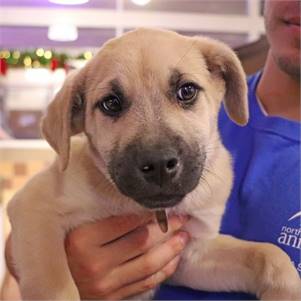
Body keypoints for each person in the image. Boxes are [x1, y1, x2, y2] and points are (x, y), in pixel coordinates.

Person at [4, 0, 300, 299]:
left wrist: (267, 269)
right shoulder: (86, 174)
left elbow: (188, 255)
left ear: (220, 82)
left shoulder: (217, 175)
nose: (157, 154)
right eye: (112, 104)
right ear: (77, 118)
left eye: (185, 92)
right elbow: (28, 209)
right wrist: (57, 280)